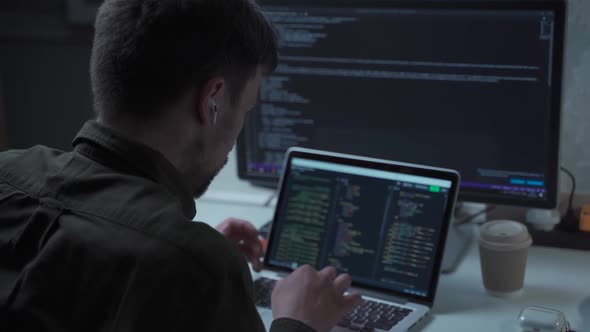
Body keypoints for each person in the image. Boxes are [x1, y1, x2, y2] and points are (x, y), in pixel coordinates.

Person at [0, 0, 361, 331]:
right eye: (246, 110)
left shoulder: (6, 171)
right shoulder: (196, 266)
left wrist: (180, 262)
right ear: (212, 100)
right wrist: (298, 322)